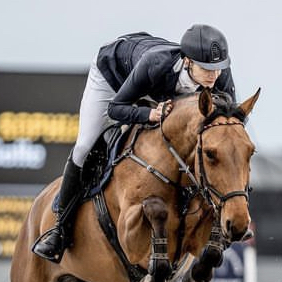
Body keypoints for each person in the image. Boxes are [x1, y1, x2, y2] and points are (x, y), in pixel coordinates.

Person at [32, 24, 237, 262]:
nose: (214, 76)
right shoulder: (156, 64)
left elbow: (229, 127)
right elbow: (116, 108)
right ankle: (60, 229)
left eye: (218, 69)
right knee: (85, 146)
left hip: (159, 92)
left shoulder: (219, 74)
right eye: (207, 69)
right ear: (188, 61)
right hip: (114, 79)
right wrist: (148, 115)